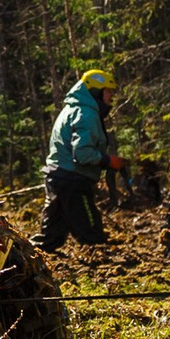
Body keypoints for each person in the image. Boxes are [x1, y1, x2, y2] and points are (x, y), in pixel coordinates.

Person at [40, 68, 122, 249]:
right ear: (96, 92)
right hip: (72, 181)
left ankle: (26, 263)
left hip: (56, 177)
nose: (110, 97)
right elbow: (82, 154)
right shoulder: (86, 114)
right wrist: (109, 161)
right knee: (93, 236)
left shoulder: (71, 109)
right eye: (108, 92)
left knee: (50, 238)